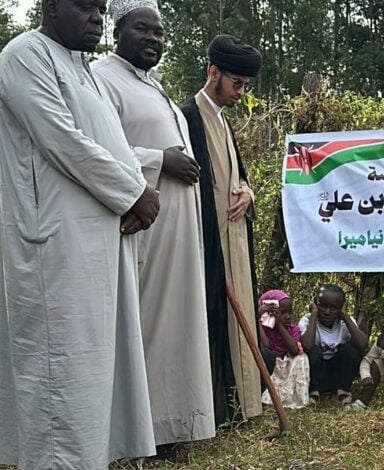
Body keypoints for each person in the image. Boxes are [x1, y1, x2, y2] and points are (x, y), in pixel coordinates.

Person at [0, 0, 161, 467]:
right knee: (60, 371)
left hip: (97, 241)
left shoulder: (82, 67)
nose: (97, 18)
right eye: (85, 6)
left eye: (101, 9)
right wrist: (133, 192)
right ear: (51, 8)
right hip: (56, 244)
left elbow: (111, 141)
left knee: (93, 369)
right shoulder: (25, 55)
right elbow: (62, 139)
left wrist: (138, 190)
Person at [92, 0, 215, 446]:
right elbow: (96, 149)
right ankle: (143, 431)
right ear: (117, 32)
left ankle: (179, 423)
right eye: (142, 29)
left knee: (179, 323)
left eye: (159, 32)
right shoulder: (102, 79)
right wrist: (158, 159)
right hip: (145, 228)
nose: (153, 39)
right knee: (147, 323)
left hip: (179, 230)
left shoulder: (152, 85)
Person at [180, 34, 263, 425]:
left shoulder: (223, 121)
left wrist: (247, 192)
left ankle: (243, 404)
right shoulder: (187, 118)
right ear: (214, 73)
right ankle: (216, 410)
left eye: (245, 86)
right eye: (236, 84)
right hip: (205, 247)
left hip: (235, 245)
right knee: (210, 322)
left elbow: (238, 177)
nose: (240, 93)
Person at [299, 284, 368, 406]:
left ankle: (342, 390)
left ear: (342, 307)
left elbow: (362, 344)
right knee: (313, 352)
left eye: (334, 308)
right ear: (315, 304)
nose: (327, 312)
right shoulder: (307, 321)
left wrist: (344, 316)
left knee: (352, 351)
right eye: (322, 306)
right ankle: (314, 392)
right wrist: (314, 315)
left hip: (337, 375)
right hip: (316, 375)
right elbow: (307, 346)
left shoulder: (345, 322)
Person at [257, 290, 310, 409]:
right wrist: (258, 319)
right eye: (282, 313)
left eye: (290, 313)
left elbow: (294, 350)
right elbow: (266, 346)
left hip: (288, 369)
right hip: (273, 368)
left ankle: (296, 397)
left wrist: (279, 325)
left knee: (302, 358)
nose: (287, 317)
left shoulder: (293, 329)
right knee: (267, 355)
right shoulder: (265, 329)